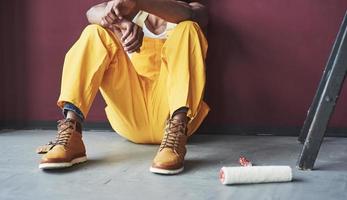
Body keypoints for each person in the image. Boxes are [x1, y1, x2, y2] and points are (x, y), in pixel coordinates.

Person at [36, 0, 209, 175]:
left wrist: (137, 2)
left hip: (175, 120)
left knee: (189, 28)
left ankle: (174, 142)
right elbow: (92, 12)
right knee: (94, 31)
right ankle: (71, 134)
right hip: (131, 114)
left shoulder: (191, 10)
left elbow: (192, 15)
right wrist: (120, 22)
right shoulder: (131, 12)